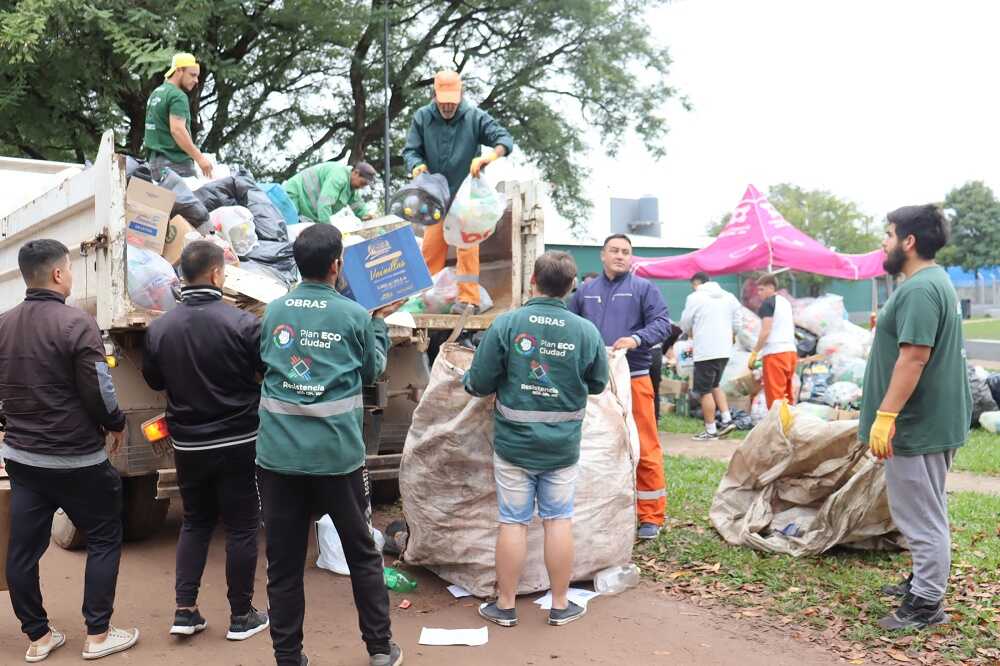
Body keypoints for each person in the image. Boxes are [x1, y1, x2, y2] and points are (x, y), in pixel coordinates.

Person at [256, 224, 403, 666]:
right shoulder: (355, 315)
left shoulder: (273, 312)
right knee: (362, 555)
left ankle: (288, 657)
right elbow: (371, 370)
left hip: (278, 459)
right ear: (337, 265)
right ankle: (380, 650)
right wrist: (378, 322)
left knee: (283, 564)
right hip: (337, 460)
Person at [0, 240, 139, 661]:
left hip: (24, 459)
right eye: (70, 269)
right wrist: (116, 424)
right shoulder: (77, 324)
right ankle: (97, 635)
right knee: (103, 536)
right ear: (59, 274)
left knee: (22, 550)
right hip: (78, 459)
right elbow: (99, 390)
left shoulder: (3, 324)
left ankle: (39, 638)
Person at [465, 251, 608, 628]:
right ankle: (560, 605)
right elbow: (597, 384)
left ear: (533, 281)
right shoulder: (585, 331)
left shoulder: (508, 324)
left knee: (513, 522)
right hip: (562, 448)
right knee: (558, 520)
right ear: (572, 285)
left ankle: (506, 605)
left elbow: (478, 382)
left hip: (514, 446)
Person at [141, 241, 269, 642]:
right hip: (239, 441)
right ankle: (241, 615)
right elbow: (264, 371)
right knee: (242, 527)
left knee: (195, 522)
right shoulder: (244, 324)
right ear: (216, 274)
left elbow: (154, 380)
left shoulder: (160, 328)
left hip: (189, 445)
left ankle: (185, 611)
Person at [861, 205, 971, 631]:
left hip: (917, 422)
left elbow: (914, 357)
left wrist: (886, 416)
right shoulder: (930, 283)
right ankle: (924, 581)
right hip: (931, 420)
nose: (883, 243)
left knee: (920, 515)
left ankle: (926, 603)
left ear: (909, 242)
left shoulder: (921, 288)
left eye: (889, 235)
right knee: (929, 507)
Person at [569, 234, 671, 540]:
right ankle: (597, 512)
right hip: (594, 383)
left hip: (635, 376)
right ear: (602, 255)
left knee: (645, 445)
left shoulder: (643, 289)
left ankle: (651, 516)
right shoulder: (585, 292)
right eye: (614, 250)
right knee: (595, 445)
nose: (620, 256)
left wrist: (637, 339)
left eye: (626, 252)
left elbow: (664, 323)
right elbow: (570, 325)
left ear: (631, 258)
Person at [403, 70, 514, 314]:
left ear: (461, 95)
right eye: (443, 102)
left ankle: (468, 300)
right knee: (431, 248)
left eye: (452, 102)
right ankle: (426, 299)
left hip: (466, 200)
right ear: (434, 96)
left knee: (467, 246)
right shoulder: (422, 117)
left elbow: (504, 138)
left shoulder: (474, 117)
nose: (448, 107)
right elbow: (410, 150)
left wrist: (490, 156)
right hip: (435, 196)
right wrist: (416, 165)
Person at [680, 272, 742, 440]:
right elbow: (738, 322)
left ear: (697, 283)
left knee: (704, 391)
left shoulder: (695, 297)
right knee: (715, 385)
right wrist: (732, 333)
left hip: (705, 350)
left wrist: (689, 331)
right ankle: (727, 419)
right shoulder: (729, 297)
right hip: (724, 350)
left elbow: (685, 322)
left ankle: (710, 430)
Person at [143, 53, 214, 180]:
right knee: (192, 199)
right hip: (175, 164)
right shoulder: (177, 95)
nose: (196, 81)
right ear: (179, 71)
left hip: (154, 165)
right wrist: (200, 158)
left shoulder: (157, 93)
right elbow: (177, 130)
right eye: (192, 75)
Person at [748, 274, 797, 407]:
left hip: (775, 354)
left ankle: (777, 426)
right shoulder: (785, 302)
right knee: (787, 395)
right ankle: (789, 425)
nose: (759, 293)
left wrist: (755, 352)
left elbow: (766, 331)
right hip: (791, 352)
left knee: (775, 398)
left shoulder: (768, 303)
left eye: (761, 289)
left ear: (771, 287)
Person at [282, 162, 377, 224]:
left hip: (306, 208)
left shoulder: (351, 187)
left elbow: (357, 205)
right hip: (295, 194)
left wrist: (367, 216)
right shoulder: (339, 177)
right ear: (355, 173)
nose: (362, 187)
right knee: (290, 230)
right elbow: (324, 204)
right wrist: (329, 231)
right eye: (362, 183)